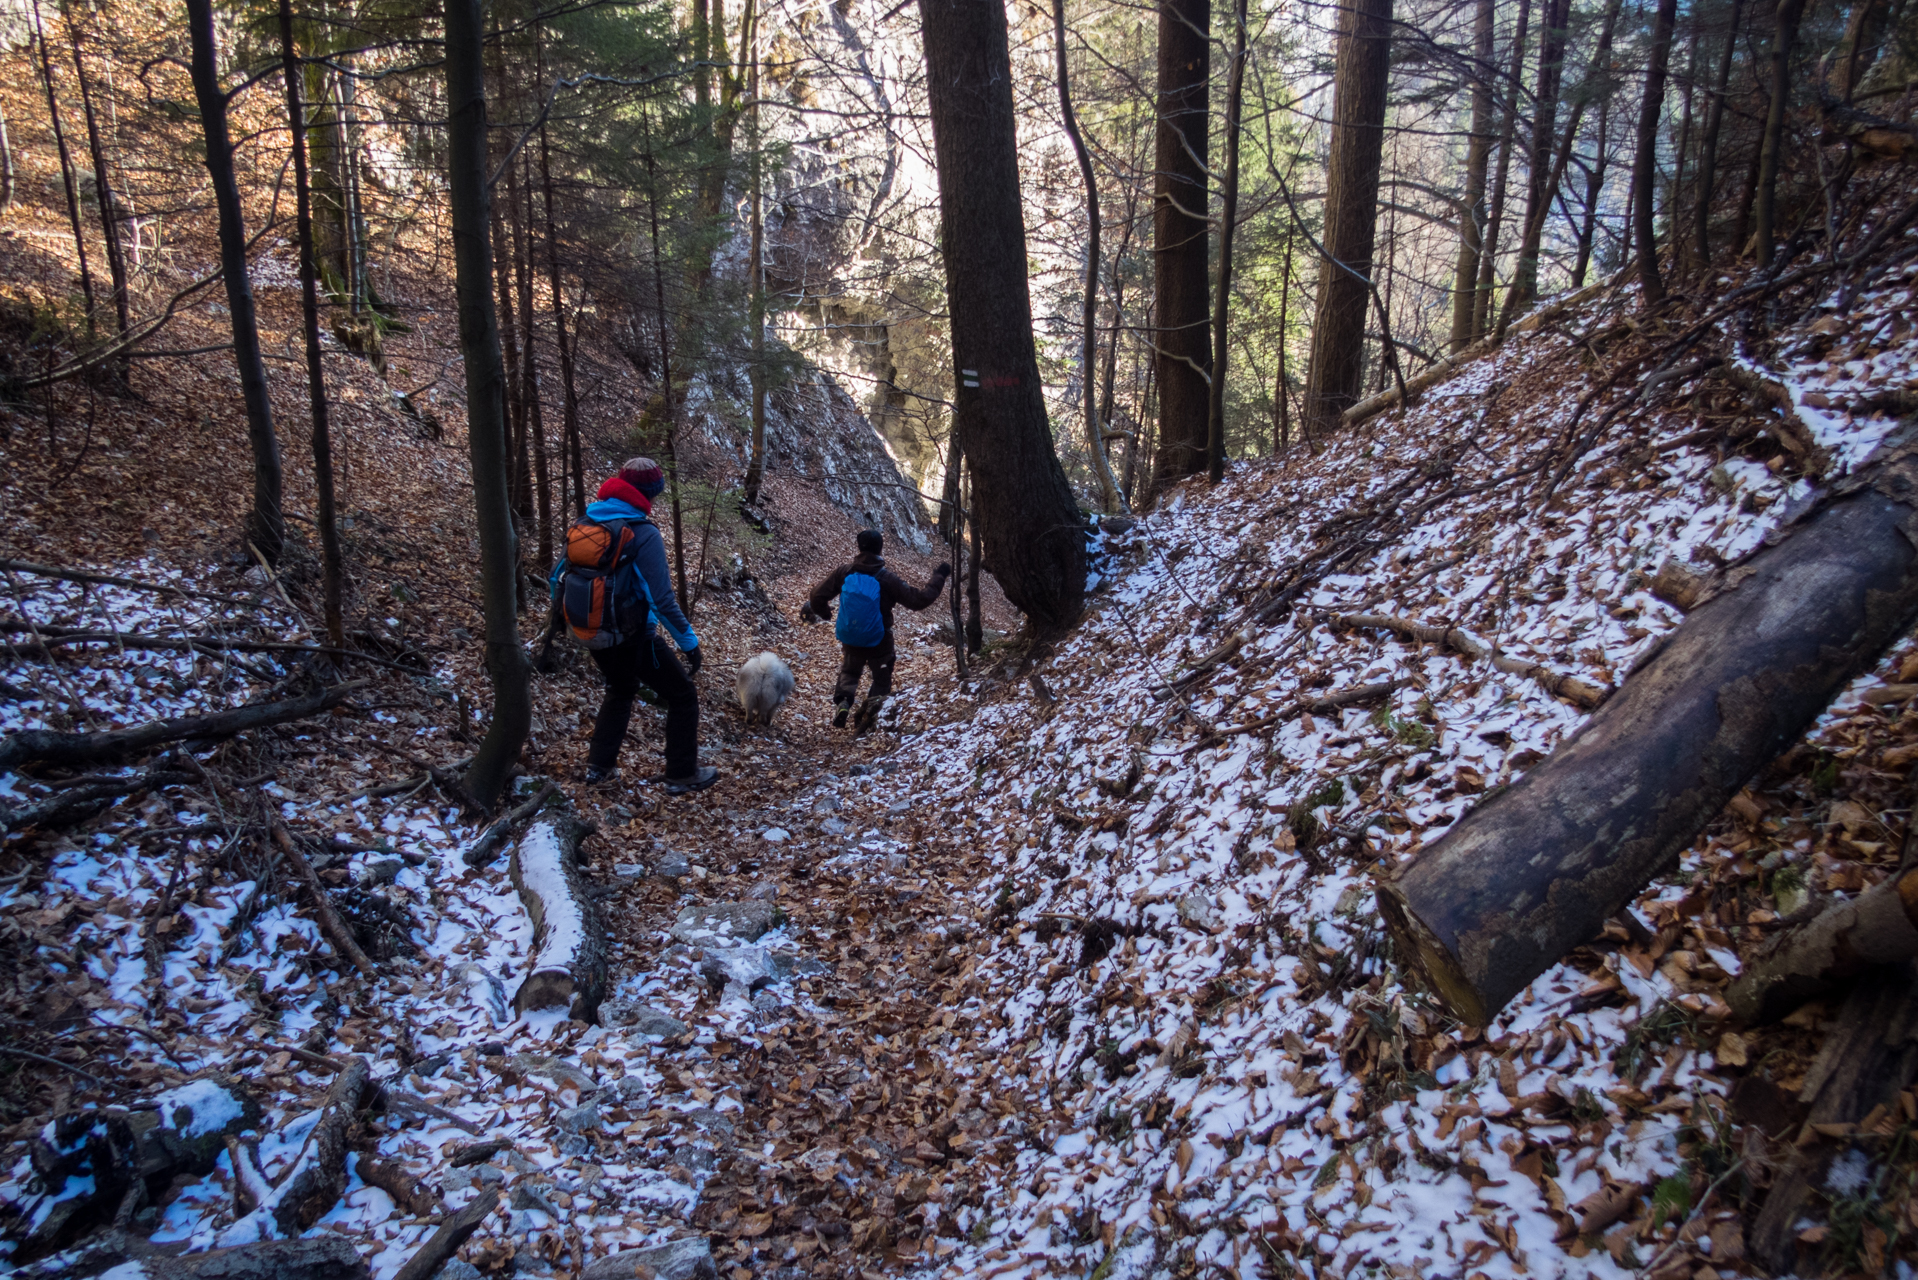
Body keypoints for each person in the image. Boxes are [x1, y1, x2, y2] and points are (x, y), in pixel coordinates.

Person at [563, 458, 718, 794]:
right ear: (651, 493)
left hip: (588, 630)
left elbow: (556, 577)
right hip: (632, 635)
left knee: (620, 689)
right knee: (683, 695)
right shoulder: (643, 533)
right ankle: (682, 773)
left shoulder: (586, 521)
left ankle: (598, 768)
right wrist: (689, 643)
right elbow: (662, 600)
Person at [803, 529, 950, 731]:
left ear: (859, 547)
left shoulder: (844, 572)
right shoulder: (886, 579)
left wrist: (826, 613)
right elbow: (918, 600)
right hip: (880, 641)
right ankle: (867, 717)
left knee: (850, 671)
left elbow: (816, 596)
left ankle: (844, 703)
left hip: (851, 636)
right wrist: (939, 576)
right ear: (880, 549)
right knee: (881, 679)